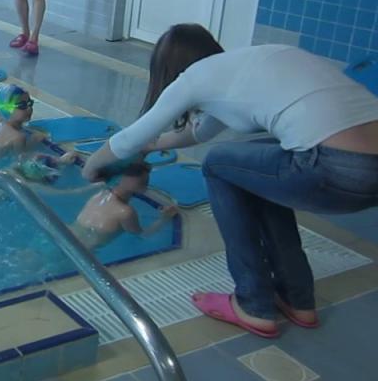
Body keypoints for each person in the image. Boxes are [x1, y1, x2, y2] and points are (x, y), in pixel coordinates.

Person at [81, 23, 378, 338]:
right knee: (256, 170)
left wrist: (91, 167)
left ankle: (253, 303)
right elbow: (199, 132)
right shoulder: (250, 63)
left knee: (217, 163)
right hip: (356, 166)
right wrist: (151, 145)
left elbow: (127, 140)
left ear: (169, 69)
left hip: (335, 167)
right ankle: (297, 297)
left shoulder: (193, 78)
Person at [71, 160, 178, 249]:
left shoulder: (99, 194)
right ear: (143, 186)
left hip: (69, 236)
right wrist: (164, 218)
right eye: (145, 182)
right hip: (85, 250)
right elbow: (143, 235)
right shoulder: (125, 212)